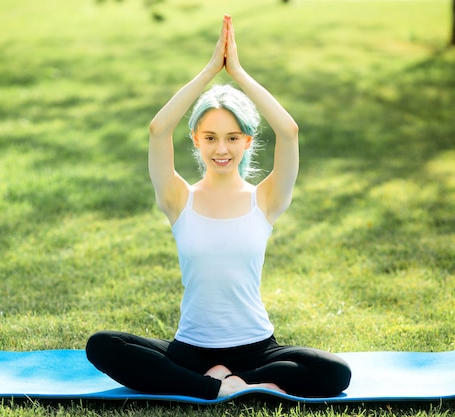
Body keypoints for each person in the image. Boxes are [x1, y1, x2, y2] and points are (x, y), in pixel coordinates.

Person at [86, 15, 351, 400]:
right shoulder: (179, 199)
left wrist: (238, 73)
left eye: (232, 137)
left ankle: (238, 380)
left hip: (256, 348)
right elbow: (159, 129)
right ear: (195, 140)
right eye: (210, 137)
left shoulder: (265, 199)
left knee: (335, 372)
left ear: (246, 141)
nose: (221, 149)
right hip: (190, 349)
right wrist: (211, 70)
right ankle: (215, 386)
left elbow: (289, 130)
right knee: (102, 345)